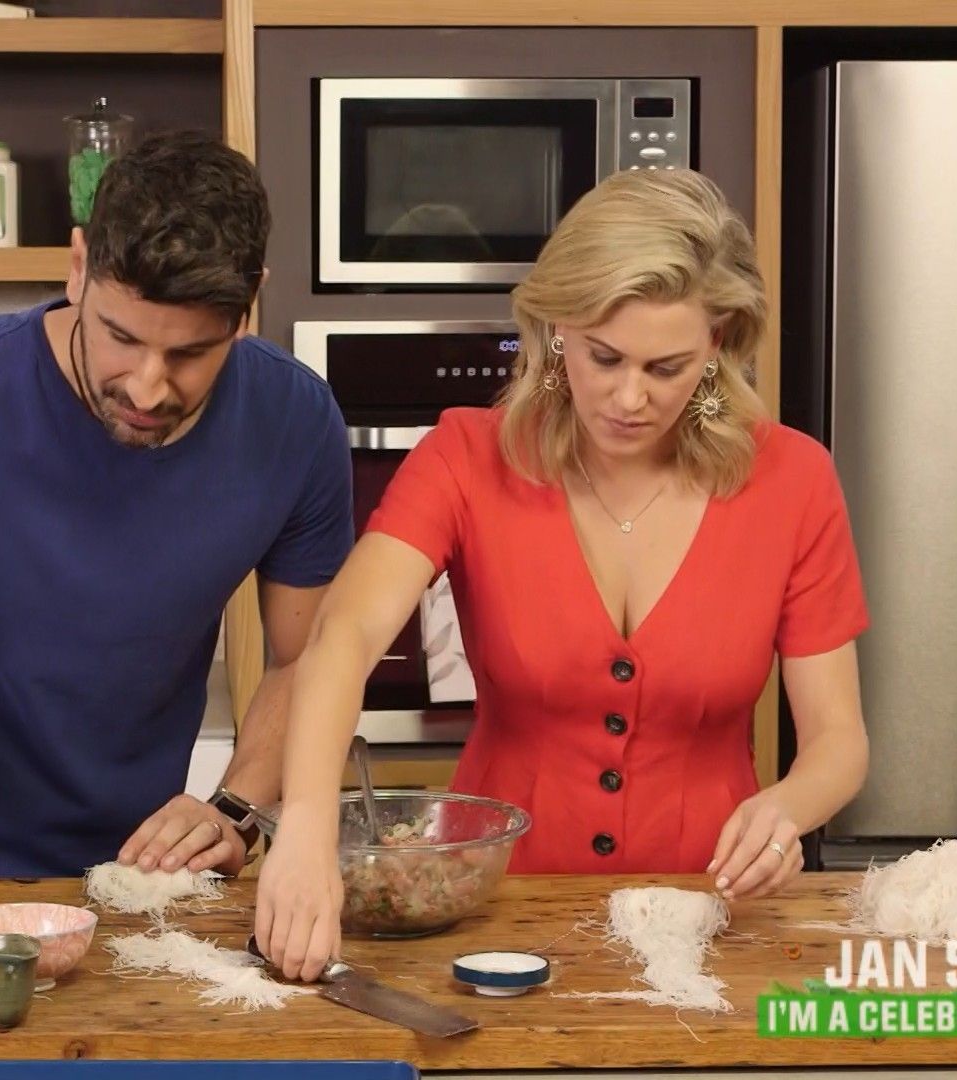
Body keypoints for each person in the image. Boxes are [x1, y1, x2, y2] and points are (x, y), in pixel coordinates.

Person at [253, 169, 871, 981]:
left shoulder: (794, 480)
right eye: (603, 357)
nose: (629, 397)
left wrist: (787, 809)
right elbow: (345, 633)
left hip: (710, 916)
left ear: (718, 343)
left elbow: (838, 740)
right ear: (555, 331)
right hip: (496, 910)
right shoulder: (465, 457)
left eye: (667, 368)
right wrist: (305, 827)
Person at [0, 130, 353, 930]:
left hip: (133, 895)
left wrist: (236, 807)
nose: (147, 387)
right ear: (78, 267)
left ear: (249, 304)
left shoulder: (295, 422)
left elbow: (309, 658)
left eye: (190, 354)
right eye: (122, 337)